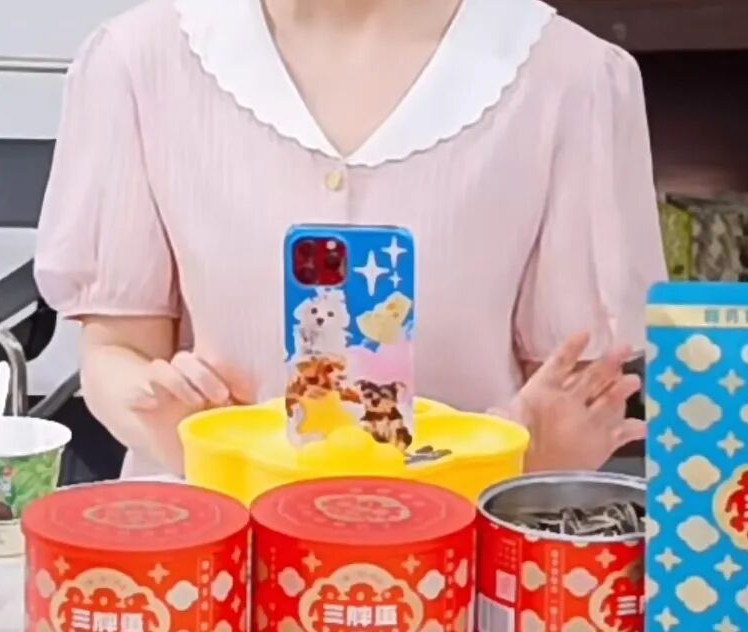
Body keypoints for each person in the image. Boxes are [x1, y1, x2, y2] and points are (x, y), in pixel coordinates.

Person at [35, 0, 666, 477]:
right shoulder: (140, 61)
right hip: (209, 555)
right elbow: (115, 350)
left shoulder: (570, 78)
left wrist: (528, 450)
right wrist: (163, 411)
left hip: (460, 559)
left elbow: (572, 395)